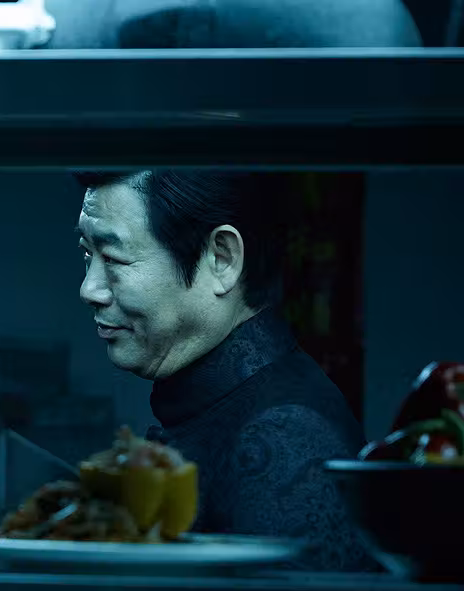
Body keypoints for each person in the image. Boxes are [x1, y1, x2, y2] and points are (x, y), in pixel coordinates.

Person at [75, 170, 372, 570]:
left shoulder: (284, 436)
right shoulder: (224, 407)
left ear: (222, 258)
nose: (89, 289)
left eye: (113, 258)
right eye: (88, 255)